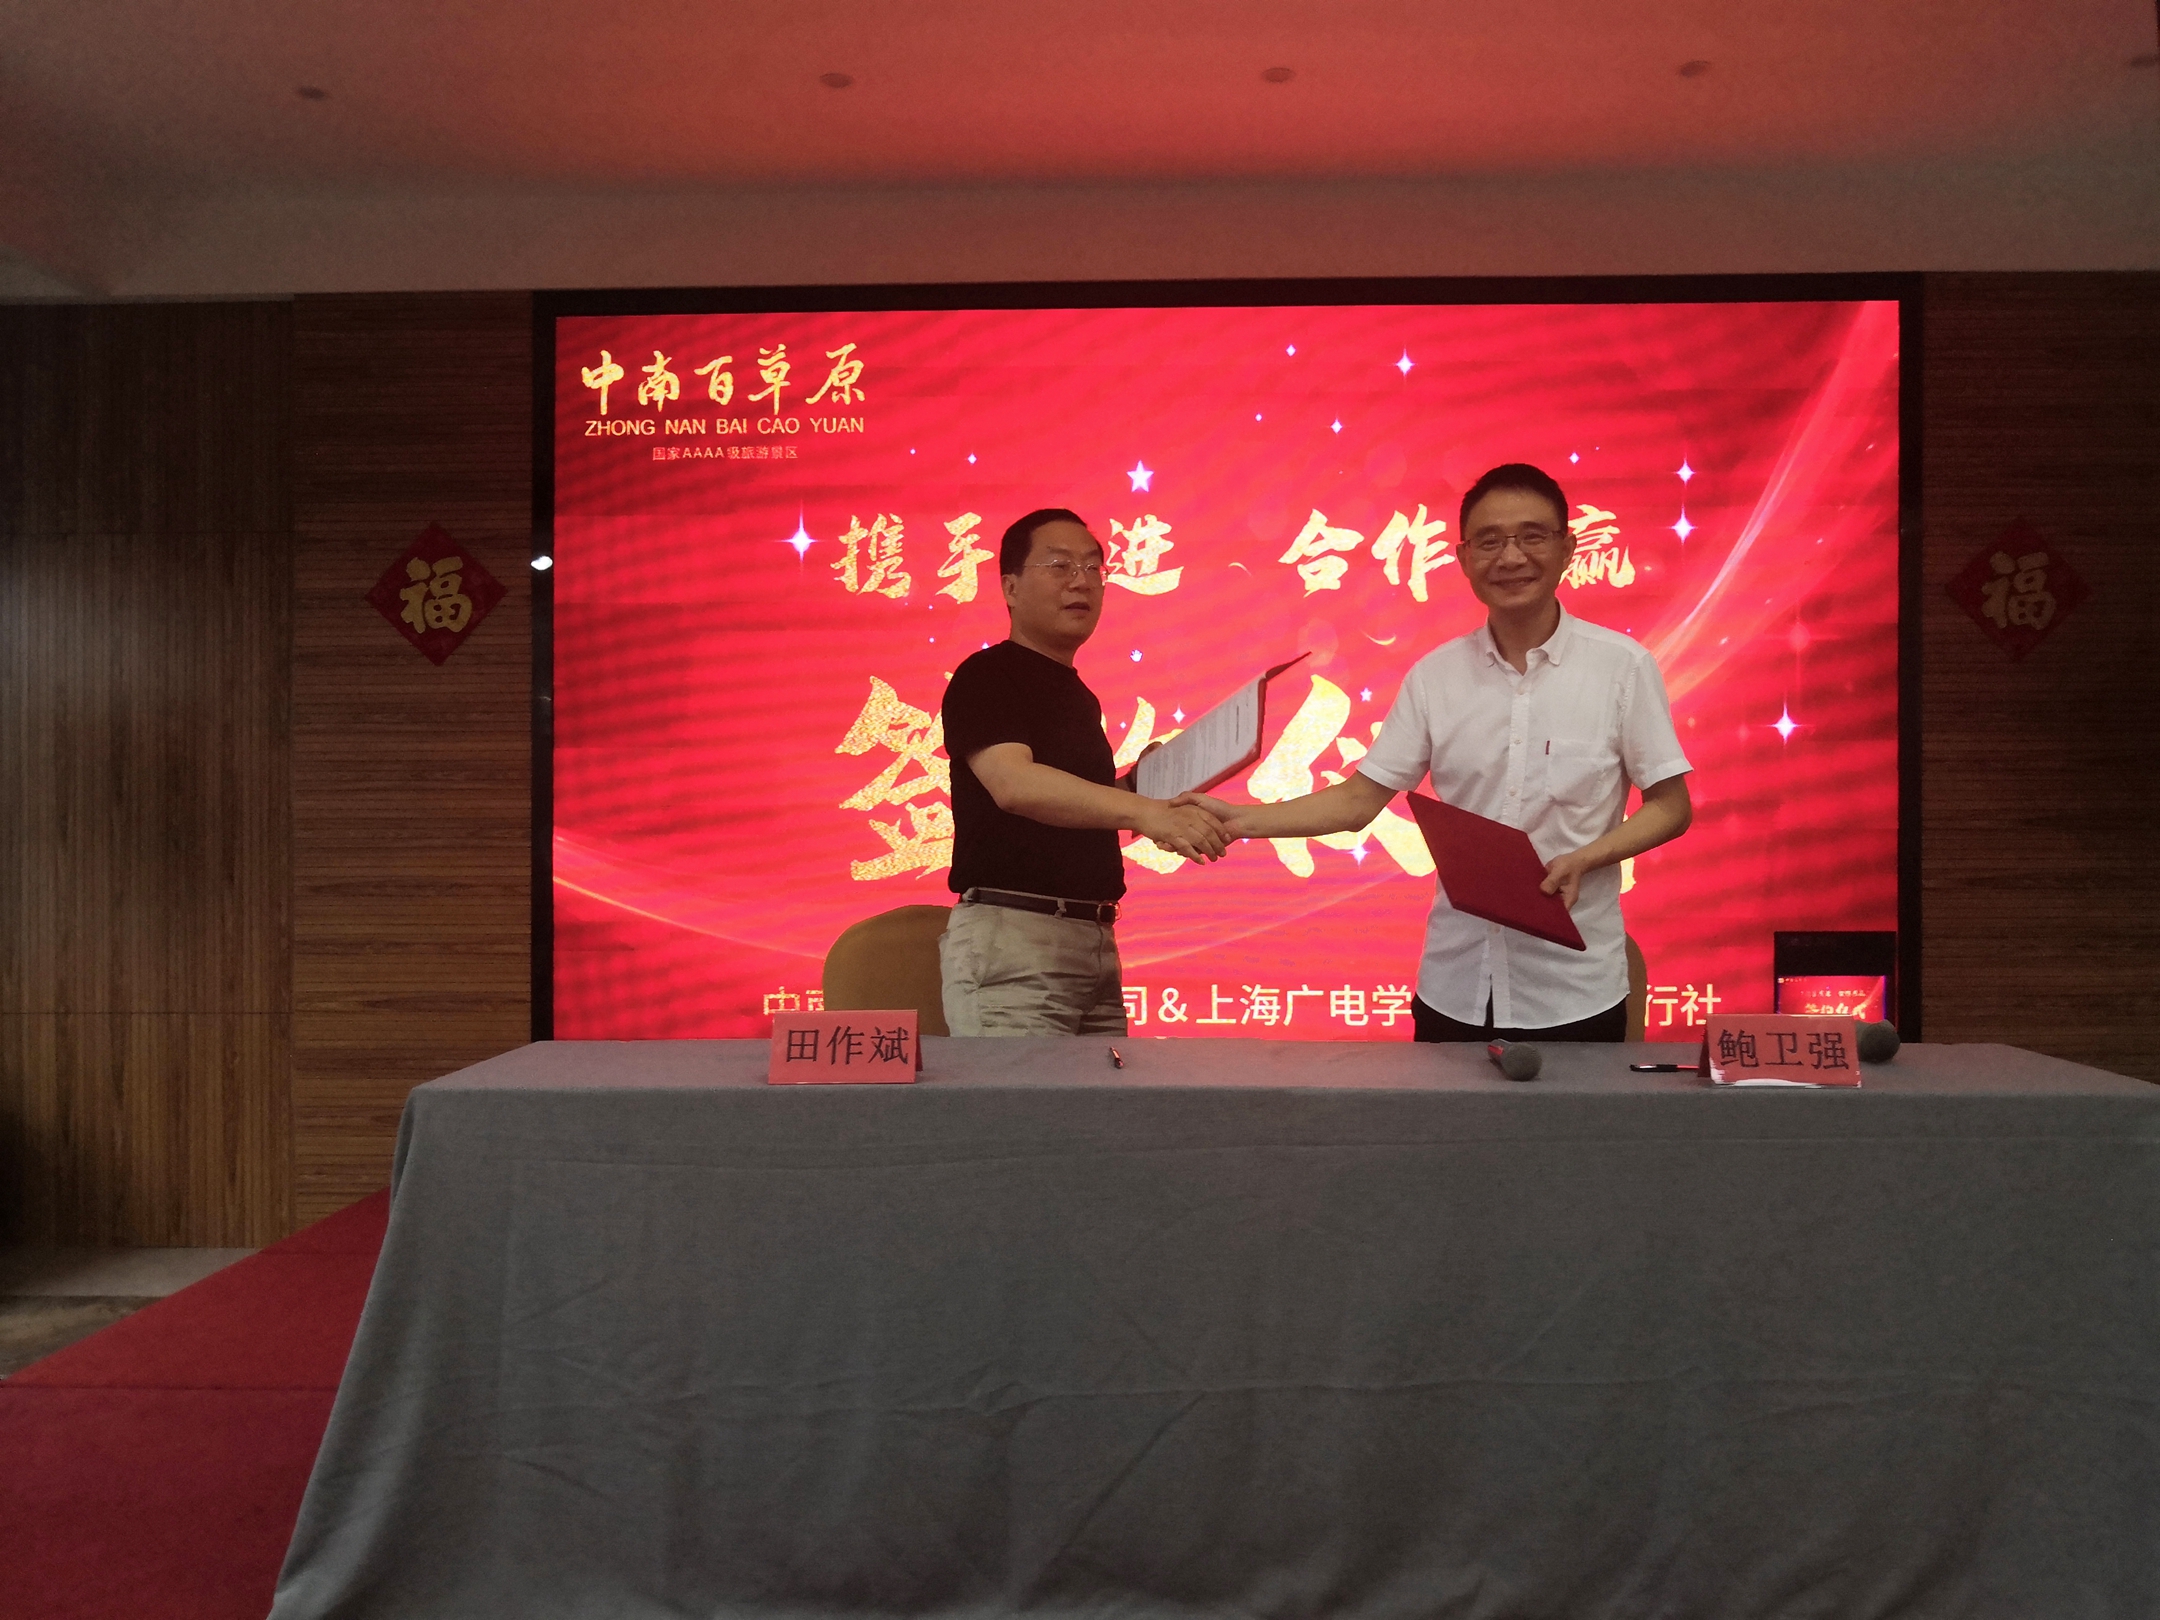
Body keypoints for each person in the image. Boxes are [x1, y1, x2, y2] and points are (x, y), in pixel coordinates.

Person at [1177, 464, 1693, 1043]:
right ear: (1463, 557)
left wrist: (1588, 858)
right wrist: (1238, 820)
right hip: (1455, 986)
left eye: (1532, 536)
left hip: (1575, 990)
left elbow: (1671, 807)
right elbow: (1358, 800)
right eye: (1489, 542)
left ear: (1567, 548)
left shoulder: (1622, 668)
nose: (1511, 557)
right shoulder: (1435, 677)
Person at [939, 508, 1229, 1036]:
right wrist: (1145, 811)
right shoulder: (988, 675)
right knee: (1021, 1094)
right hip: (1017, 944)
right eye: (1060, 566)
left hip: (1093, 943)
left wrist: (1139, 786)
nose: (1081, 581)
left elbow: (1073, 806)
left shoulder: (1076, 693)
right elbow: (1015, 785)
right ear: (1009, 587)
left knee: (1103, 1094)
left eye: (1094, 568)